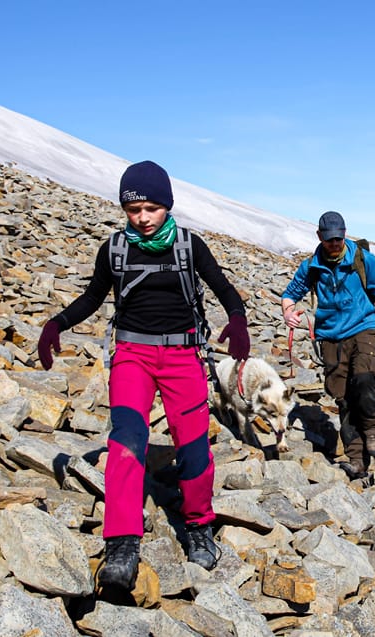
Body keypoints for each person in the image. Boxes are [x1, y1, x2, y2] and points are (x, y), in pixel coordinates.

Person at [35, 160, 250, 588]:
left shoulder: (190, 247)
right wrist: (56, 323)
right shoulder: (114, 249)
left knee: (193, 449)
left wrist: (238, 319)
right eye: (133, 210)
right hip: (132, 356)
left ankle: (198, 526)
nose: (143, 218)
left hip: (184, 356)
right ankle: (121, 543)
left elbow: (224, 288)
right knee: (126, 443)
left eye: (151, 208)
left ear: (167, 206)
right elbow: (94, 296)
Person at [281, 211, 375, 480]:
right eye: (329, 239)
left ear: (345, 233)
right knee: (343, 397)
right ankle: (357, 459)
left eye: (338, 238)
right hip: (331, 336)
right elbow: (290, 294)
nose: (334, 244)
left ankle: (372, 430)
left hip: (362, 327)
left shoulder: (362, 259)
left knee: (365, 377)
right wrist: (288, 311)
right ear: (320, 237)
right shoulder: (311, 266)